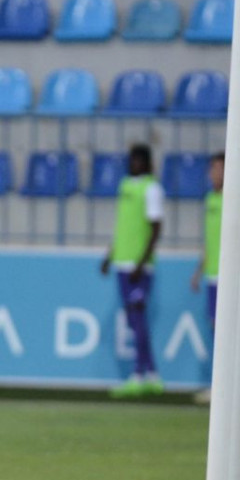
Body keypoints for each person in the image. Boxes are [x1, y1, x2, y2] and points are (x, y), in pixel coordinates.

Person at [98, 144, 166, 399]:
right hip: (122, 262)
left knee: (137, 317)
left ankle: (139, 375)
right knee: (134, 320)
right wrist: (110, 255)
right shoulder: (125, 186)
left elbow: (156, 229)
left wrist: (141, 262)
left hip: (140, 266)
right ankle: (152, 375)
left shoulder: (152, 189)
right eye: (132, 159)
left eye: (139, 160)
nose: (134, 164)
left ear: (148, 163)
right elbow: (123, 225)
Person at [189, 152, 225, 406]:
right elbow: (210, 241)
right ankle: (220, 386)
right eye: (212, 168)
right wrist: (199, 271)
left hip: (228, 277)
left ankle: (225, 388)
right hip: (212, 275)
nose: (213, 173)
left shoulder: (233, 200)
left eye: (217, 168)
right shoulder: (211, 198)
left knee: (226, 332)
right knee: (216, 330)